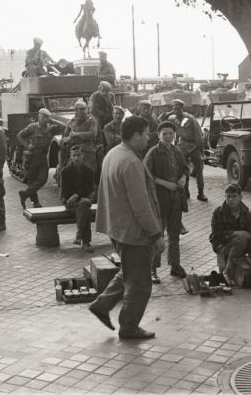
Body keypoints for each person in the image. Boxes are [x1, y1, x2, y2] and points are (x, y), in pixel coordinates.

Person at [89, 116, 165, 340]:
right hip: (133, 233)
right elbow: (141, 206)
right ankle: (129, 327)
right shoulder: (131, 161)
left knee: (130, 272)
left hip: (117, 228)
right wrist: (156, 234)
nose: (149, 137)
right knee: (140, 285)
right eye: (146, 133)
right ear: (136, 136)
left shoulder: (114, 153)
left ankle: (102, 305)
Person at [144, 121, 189, 282]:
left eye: (171, 133)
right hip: (159, 200)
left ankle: (175, 266)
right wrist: (165, 183)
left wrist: (183, 178)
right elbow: (147, 175)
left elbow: (185, 168)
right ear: (159, 135)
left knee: (174, 234)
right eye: (165, 134)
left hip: (176, 199)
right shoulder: (153, 153)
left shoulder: (177, 151)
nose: (168, 136)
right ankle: (152, 269)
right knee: (158, 235)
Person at [210, 184, 251, 286]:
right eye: (228, 196)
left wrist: (244, 236)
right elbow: (216, 235)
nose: (230, 199)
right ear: (225, 197)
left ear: (240, 197)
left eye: (234, 196)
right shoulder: (218, 213)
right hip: (222, 244)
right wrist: (235, 234)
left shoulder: (246, 212)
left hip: (240, 243)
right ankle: (227, 270)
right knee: (240, 239)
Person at [17, 108, 65, 209]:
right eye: (43, 116)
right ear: (39, 116)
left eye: (47, 117)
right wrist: (27, 146)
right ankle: (36, 203)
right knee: (32, 180)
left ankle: (25, 194)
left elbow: (64, 126)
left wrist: (53, 121)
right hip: (32, 156)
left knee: (43, 179)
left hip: (43, 157)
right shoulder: (33, 127)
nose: (45, 119)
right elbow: (20, 135)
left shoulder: (51, 128)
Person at [161, 99, 207, 202]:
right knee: (183, 170)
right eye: (174, 109)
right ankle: (185, 192)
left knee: (199, 170)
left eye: (178, 109)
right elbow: (161, 120)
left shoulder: (190, 119)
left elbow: (198, 134)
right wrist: (169, 113)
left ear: (182, 108)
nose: (176, 111)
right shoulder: (173, 118)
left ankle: (201, 193)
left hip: (194, 145)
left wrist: (201, 149)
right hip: (182, 145)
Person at [60, 145, 95, 253]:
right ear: (70, 156)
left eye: (78, 155)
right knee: (85, 207)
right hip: (70, 202)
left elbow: (89, 188)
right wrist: (75, 197)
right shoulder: (65, 171)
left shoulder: (89, 171)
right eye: (74, 155)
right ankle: (86, 243)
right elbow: (65, 192)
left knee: (84, 207)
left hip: (83, 201)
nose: (76, 158)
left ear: (83, 155)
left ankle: (79, 233)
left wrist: (77, 196)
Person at [61, 100, 100, 178]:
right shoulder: (71, 122)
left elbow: (92, 134)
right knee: (68, 174)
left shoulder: (92, 121)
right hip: (74, 151)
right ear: (76, 110)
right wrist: (69, 138)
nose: (84, 111)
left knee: (89, 174)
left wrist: (76, 134)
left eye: (85, 109)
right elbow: (63, 139)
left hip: (87, 150)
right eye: (81, 109)